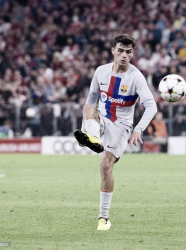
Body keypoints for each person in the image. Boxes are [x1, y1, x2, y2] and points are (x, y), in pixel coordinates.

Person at [74, 34, 157, 231]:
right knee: (87, 108)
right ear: (113, 51)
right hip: (102, 119)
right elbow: (91, 100)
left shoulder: (136, 77)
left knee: (105, 166)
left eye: (128, 52)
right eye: (120, 50)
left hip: (121, 126)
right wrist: (86, 129)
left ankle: (103, 218)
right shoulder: (101, 72)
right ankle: (92, 138)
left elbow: (151, 106)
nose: (124, 55)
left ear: (132, 54)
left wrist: (138, 129)